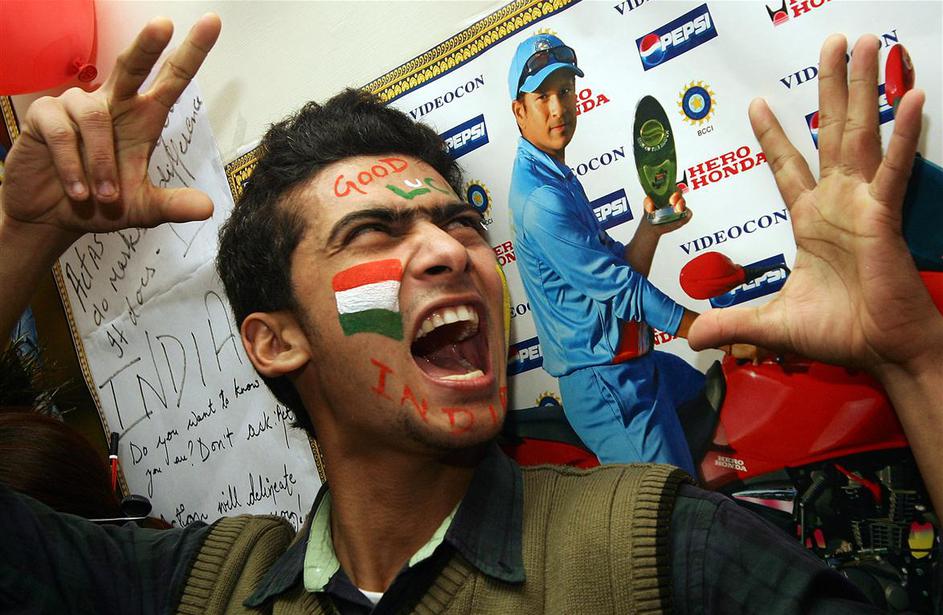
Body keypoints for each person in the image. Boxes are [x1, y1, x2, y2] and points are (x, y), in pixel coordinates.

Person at [0, 15, 940, 614]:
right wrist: (22, 236)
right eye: (374, 230)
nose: (450, 250)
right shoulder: (206, 591)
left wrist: (917, 363)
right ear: (274, 340)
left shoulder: (662, 551)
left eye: (456, 221)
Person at [506, 34, 705, 474]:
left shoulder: (556, 177)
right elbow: (621, 289)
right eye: (542, 97)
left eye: (565, 91)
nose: (558, 108)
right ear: (520, 111)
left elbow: (619, 269)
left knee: (717, 400)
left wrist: (652, 226)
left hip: (634, 364)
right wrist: (711, 331)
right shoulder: (541, 199)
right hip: (607, 383)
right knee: (675, 503)